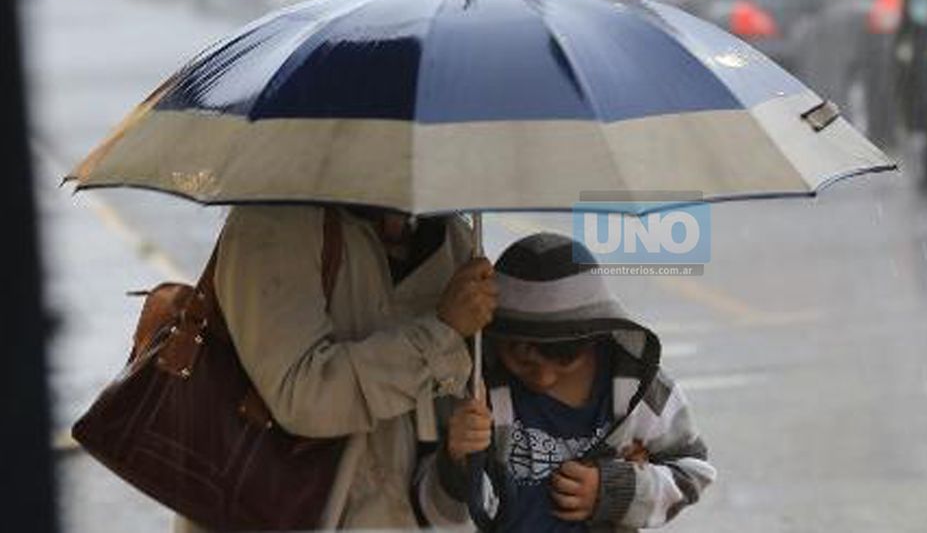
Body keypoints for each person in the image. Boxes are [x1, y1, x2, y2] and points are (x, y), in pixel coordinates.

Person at [173, 204, 497, 532]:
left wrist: (460, 454)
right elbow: (302, 396)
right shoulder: (274, 221)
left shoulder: (453, 239)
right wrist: (441, 333)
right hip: (276, 509)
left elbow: (454, 420)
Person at [414, 232, 715, 531]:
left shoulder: (637, 385)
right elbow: (439, 517)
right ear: (495, 338)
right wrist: (458, 462)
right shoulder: (474, 390)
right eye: (524, 362)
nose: (544, 378)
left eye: (565, 363)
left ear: (596, 340)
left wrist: (614, 490)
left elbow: (692, 470)